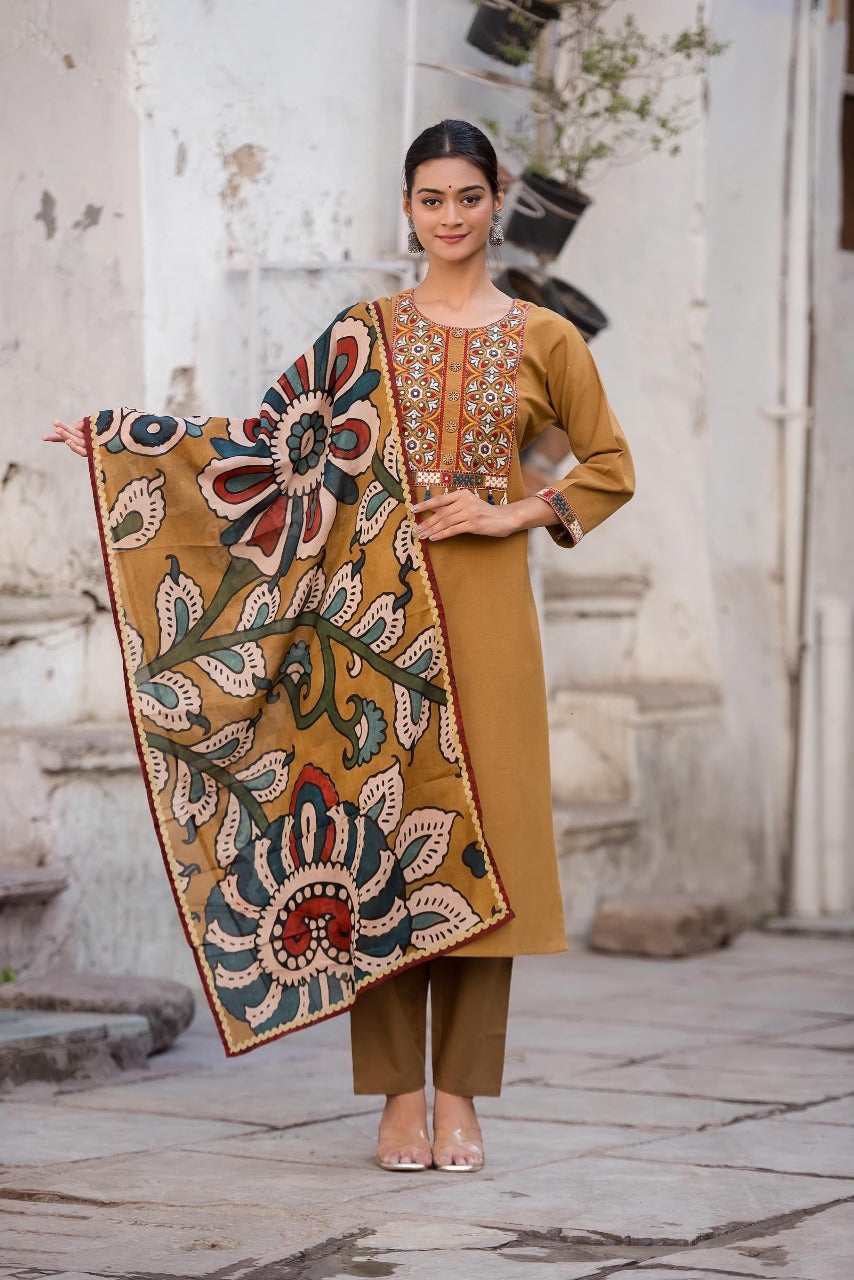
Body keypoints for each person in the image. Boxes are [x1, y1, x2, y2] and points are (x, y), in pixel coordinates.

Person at [45, 119, 634, 1175]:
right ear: (406, 208)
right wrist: (131, 442)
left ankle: (460, 1093)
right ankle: (399, 1096)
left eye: (467, 196)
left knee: (484, 852)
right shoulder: (363, 334)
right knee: (382, 844)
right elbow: (271, 447)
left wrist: (510, 510)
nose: (449, 216)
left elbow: (607, 465)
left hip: (491, 621)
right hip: (372, 622)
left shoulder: (546, 338)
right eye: (430, 198)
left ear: (495, 202)